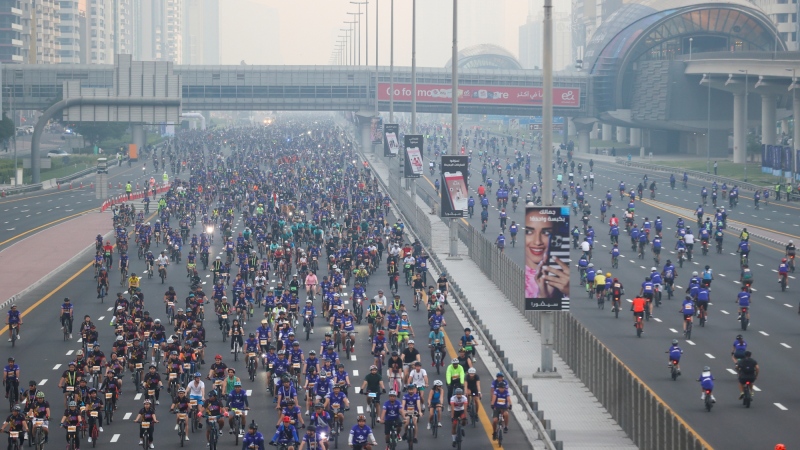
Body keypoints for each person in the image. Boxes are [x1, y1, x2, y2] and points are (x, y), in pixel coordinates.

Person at [524, 208, 570, 299]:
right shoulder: (512, 276)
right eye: (529, 232)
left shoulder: (565, 276)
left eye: (546, 233)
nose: (537, 242)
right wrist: (542, 297)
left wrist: (568, 292)